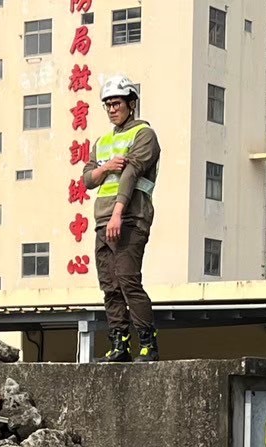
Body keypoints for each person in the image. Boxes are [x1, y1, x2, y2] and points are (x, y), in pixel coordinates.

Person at [82, 75, 160, 363]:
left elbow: (132, 172)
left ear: (131, 104)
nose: (112, 109)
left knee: (128, 281)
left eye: (117, 103)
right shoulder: (102, 142)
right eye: (108, 105)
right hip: (103, 220)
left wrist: (118, 213)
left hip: (129, 218)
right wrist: (106, 169)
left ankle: (148, 344)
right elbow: (87, 179)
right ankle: (119, 345)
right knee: (110, 286)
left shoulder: (144, 134)